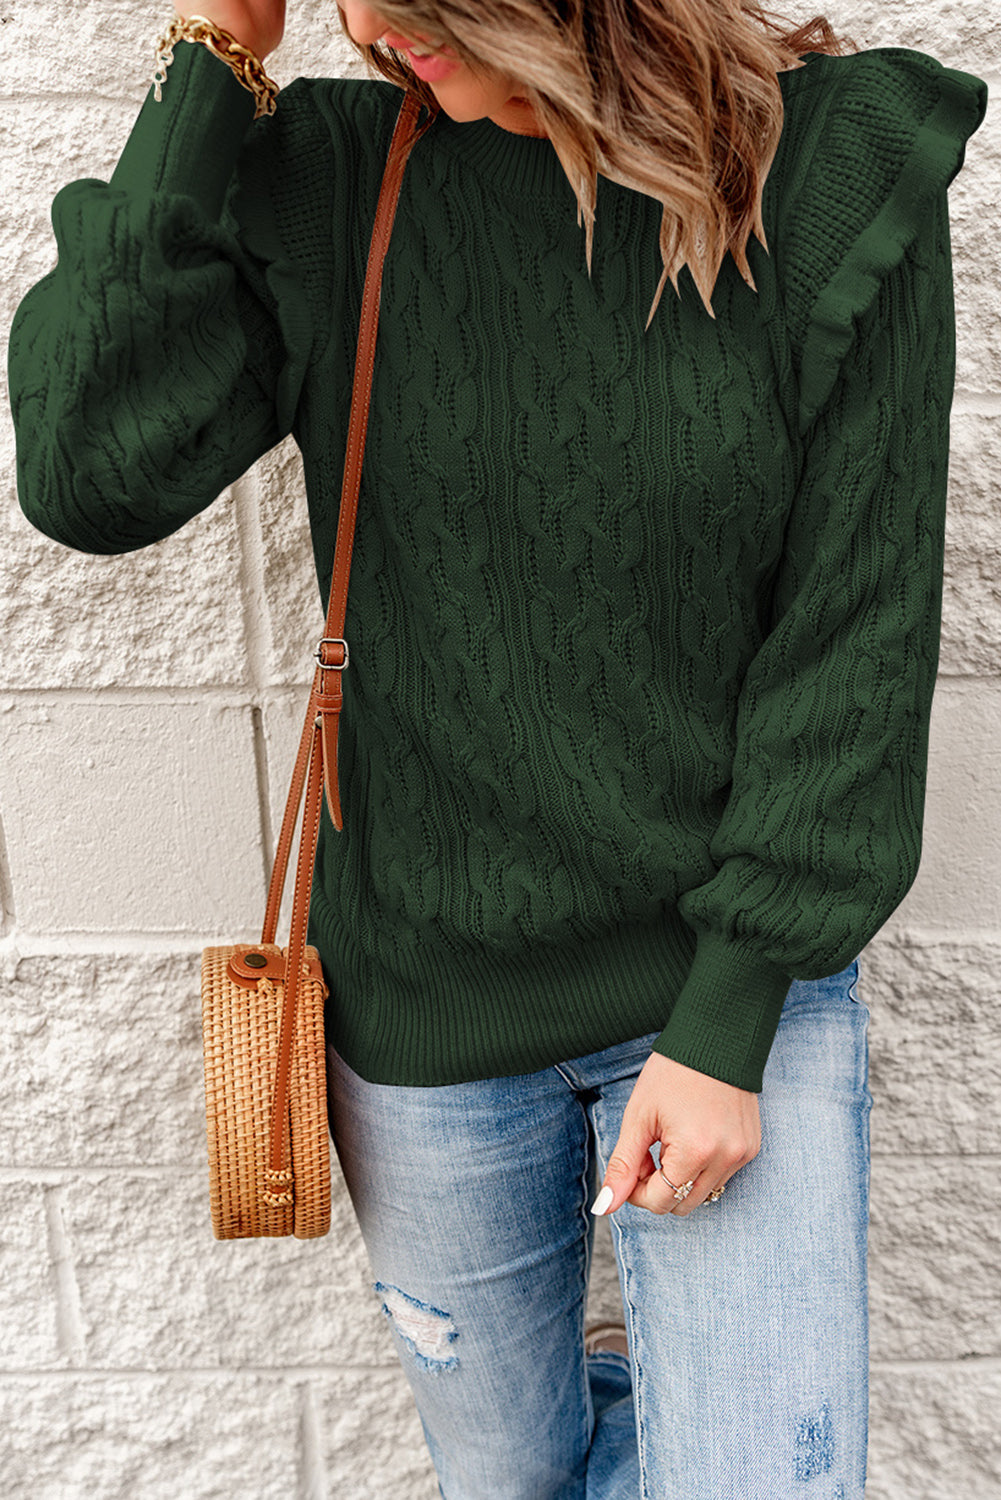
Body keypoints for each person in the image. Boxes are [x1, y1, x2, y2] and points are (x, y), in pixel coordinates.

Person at [6, 1, 988, 1495]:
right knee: (508, 1479)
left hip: (728, 998)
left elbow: (852, 636)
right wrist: (211, 58)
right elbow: (87, 471)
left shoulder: (832, 172)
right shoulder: (333, 178)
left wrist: (724, 1024)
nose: (369, 24)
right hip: (425, 1021)